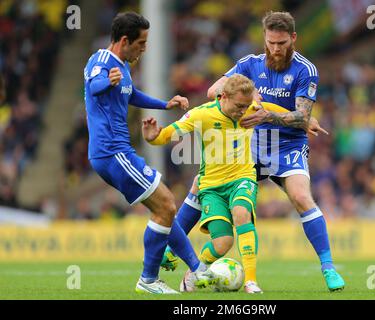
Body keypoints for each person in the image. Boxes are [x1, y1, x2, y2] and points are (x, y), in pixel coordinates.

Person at [162, 11, 345, 292]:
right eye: (270, 42)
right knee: (201, 185)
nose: (275, 49)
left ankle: (329, 268)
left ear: (293, 39)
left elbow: (302, 118)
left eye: (281, 43)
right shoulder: (249, 65)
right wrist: (248, 96)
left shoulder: (305, 70)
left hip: (287, 145)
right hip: (252, 143)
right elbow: (213, 92)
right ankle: (172, 250)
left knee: (301, 196)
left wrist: (266, 114)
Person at [83, 11, 216, 294]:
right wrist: (109, 81)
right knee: (166, 203)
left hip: (117, 152)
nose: (144, 49)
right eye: (141, 43)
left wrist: (165, 105)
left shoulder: (123, 66)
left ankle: (197, 269)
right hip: (111, 152)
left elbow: (131, 94)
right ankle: (150, 279)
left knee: (164, 207)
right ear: (124, 40)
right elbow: (94, 87)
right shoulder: (102, 62)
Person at [142, 74, 281, 293]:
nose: (242, 111)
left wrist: (306, 120)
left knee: (241, 211)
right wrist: (153, 137)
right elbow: (169, 133)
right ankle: (196, 270)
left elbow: (276, 109)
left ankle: (251, 281)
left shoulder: (251, 109)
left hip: (242, 178)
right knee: (223, 242)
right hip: (212, 188)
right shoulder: (202, 114)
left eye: (246, 106)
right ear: (223, 96)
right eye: (238, 106)